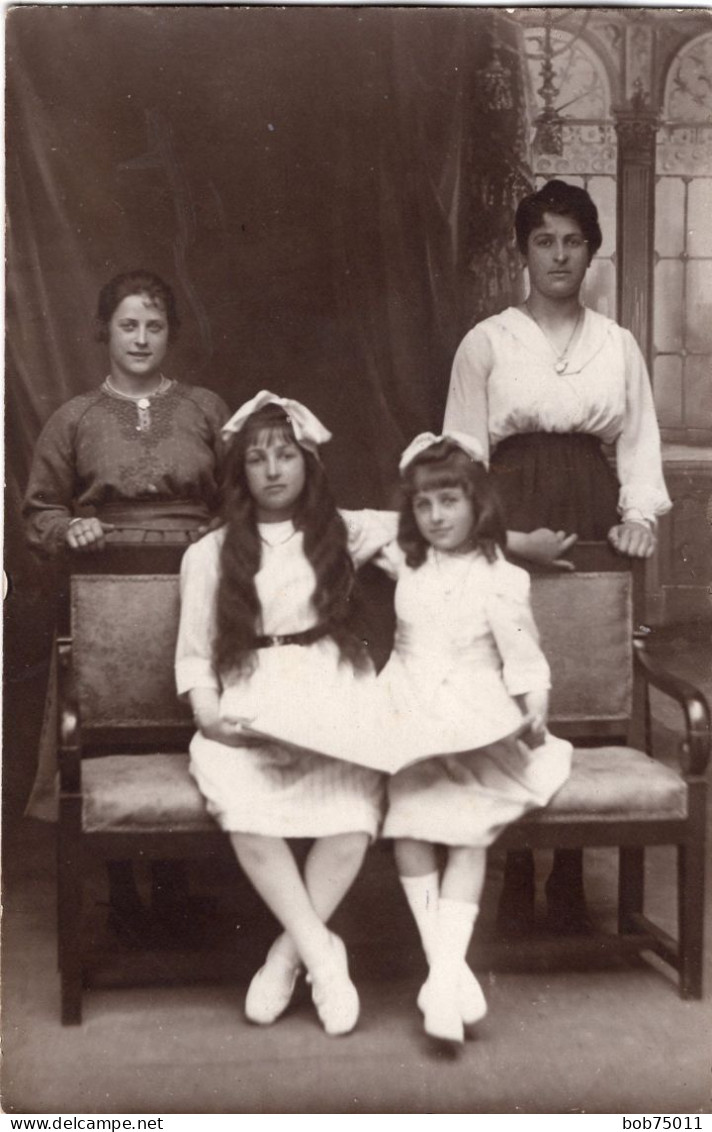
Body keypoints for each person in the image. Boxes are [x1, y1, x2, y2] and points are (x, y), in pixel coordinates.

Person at [443, 179, 672, 934]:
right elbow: (462, 459)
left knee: (583, 678)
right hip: (513, 512)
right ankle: (511, 869)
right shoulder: (488, 341)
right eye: (545, 240)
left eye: (573, 241)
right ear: (524, 252)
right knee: (506, 683)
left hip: (589, 507)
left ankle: (571, 870)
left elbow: (637, 444)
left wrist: (637, 517)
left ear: (592, 252)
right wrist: (497, 537)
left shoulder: (618, 344)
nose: (560, 254)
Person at [175, 391, 396, 1037]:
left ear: (308, 463)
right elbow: (193, 655)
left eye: (286, 456)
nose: (273, 470)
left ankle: (286, 956)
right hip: (251, 695)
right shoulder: (209, 554)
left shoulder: (342, 531)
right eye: (257, 459)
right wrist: (209, 715)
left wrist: (518, 540)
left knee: (354, 806)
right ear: (240, 473)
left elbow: (432, 524)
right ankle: (323, 955)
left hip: (332, 690)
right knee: (240, 800)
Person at [23, 269, 230, 943]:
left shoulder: (204, 408)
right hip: (107, 595)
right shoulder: (75, 418)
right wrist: (70, 529)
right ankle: (123, 899)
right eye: (128, 324)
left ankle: (174, 898)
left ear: (171, 333)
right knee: (116, 728)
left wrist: (221, 536)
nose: (142, 338)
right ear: (104, 331)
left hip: (194, 585)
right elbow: (40, 512)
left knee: (180, 726)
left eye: (155, 325)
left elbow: (242, 500)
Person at [376, 433, 571, 1044]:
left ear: (477, 503)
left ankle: (441, 973)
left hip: (476, 712)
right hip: (405, 707)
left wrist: (535, 706)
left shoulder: (502, 579)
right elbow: (353, 521)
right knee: (408, 820)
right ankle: (449, 973)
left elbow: (524, 655)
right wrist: (413, 491)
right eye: (424, 505)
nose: (436, 517)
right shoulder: (402, 560)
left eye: (450, 501)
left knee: (466, 829)